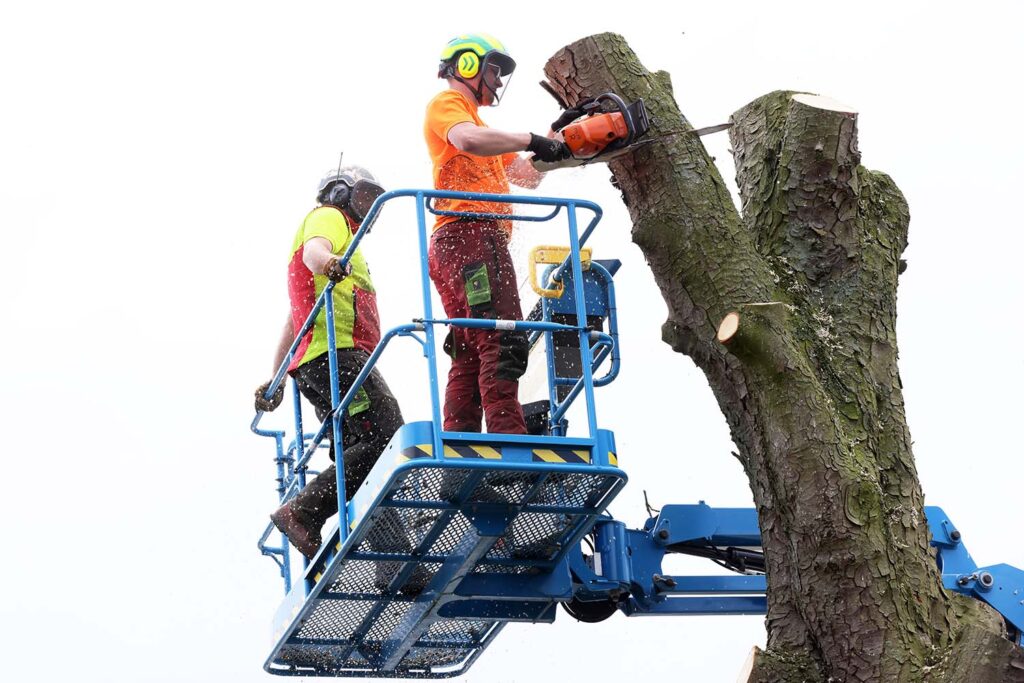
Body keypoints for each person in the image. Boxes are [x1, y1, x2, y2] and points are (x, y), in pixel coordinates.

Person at [424, 32, 571, 435]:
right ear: (466, 65)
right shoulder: (448, 105)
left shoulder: (482, 127)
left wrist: (560, 145)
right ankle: (508, 439)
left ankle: (461, 442)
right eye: (494, 69)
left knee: (472, 347)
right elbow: (466, 139)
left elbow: (524, 175)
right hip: (469, 237)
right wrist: (529, 137)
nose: (499, 80)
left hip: (464, 242)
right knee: (504, 335)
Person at [254, 166, 403, 560]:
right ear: (340, 193)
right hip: (338, 355)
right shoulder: (328, 219)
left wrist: (277, 377)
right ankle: (302, 511)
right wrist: (328, 262)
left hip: (319, 359)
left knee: (362, 448)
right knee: (387, 435)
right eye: (365, 197)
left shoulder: (349, 243)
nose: (369, 209)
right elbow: (314, 252)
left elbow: (293, 319)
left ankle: (391, 558)